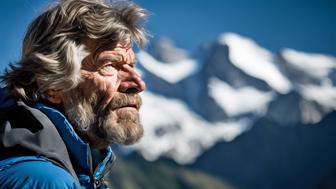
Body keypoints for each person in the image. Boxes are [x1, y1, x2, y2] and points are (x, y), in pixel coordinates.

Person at [0, 0, 148, 188]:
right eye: (110, 65)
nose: (138, 84)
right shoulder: (45, 182)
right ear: (52, 84)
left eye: (132, 66)